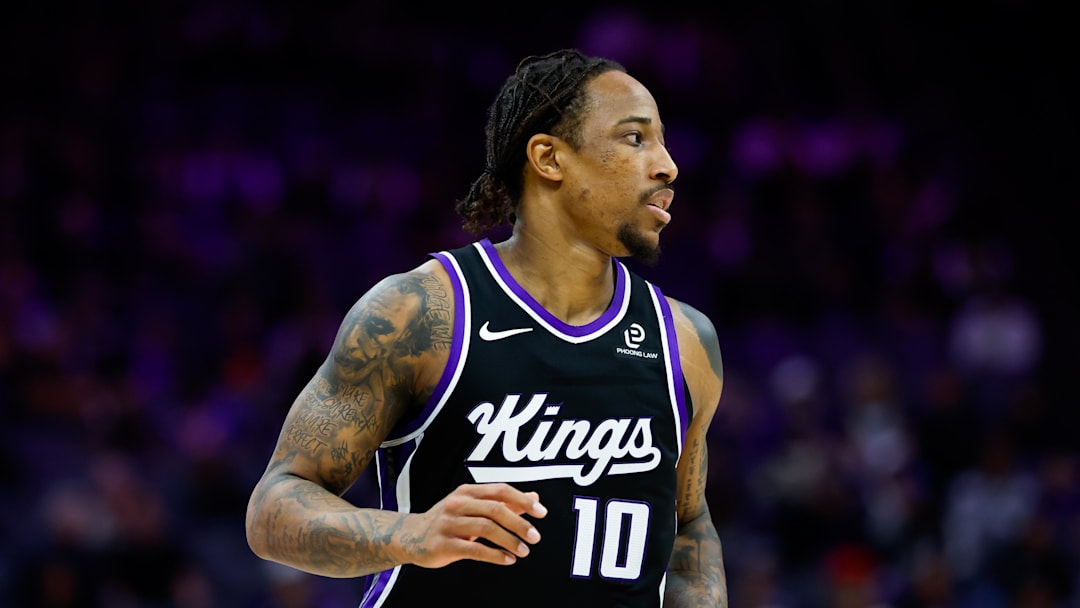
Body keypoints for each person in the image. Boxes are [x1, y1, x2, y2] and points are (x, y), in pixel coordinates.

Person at [245, 48, 728, 607]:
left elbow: (689, 526)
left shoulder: (685, 341)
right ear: (548, 158)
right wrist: (414, 534)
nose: (667, 165)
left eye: (663, 141)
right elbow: (275, 508)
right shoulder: (422, 313)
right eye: (635, 138)